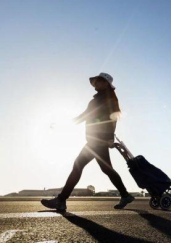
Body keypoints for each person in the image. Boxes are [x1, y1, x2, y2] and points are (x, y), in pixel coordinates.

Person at [41, 72, 135, 211]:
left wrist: (109, 137)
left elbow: (112, 118)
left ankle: (61, 200)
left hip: (98, 140)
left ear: (105, 84)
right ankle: (125, 195)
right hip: (95, 140)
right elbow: (85, 116)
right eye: (95, 81)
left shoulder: (106, 99)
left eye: (99, 81)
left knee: (78, 166)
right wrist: (64, 125)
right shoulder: (99, 99)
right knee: (106, 169)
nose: (96, 83)